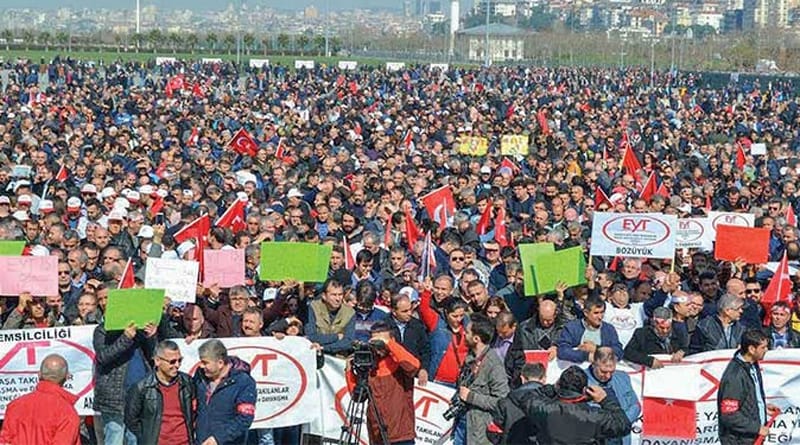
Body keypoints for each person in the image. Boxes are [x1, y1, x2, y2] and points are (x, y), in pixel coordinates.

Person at [345, 321, 420, 445]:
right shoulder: (370, 364)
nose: (379, 347)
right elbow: (357, 396)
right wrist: (349, 372)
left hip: (400, 433)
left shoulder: (398, 361)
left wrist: (388, 343)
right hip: (377, 434)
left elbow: (413, 366)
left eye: (380, 342)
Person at [523, 365, 632, 445]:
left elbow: (527, 397)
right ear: (584, 390)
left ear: (559, 385)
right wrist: (605, 400)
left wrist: (553, 388)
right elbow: (623, 425)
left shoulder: (545, 409)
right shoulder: (595, 416)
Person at [94, 321, 158, 445]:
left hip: (139, 396)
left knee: (136, 440)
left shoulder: (140, 329)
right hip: (114, 399)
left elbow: (153, 357)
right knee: (114, 440)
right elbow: (103, 357)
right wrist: (126, 338)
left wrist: (151, 337)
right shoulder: (103, 330)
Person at [453, 313, 510, 445]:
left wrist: (472, 397)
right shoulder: (470, 358)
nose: (463, 334)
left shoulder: (493, 364)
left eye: (467, 332)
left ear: (476, 338)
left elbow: (502, 401)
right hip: (462, 423)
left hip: (479, 431)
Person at [718, 329, 782, 444]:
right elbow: (729, 415)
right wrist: (757, 428)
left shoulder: (752, 365)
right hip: (739, 440)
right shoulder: (734, 376)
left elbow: (747, 397)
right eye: (763, 347)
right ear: (752, 349)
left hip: (752, 438)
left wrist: (761, 407)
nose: (766, 350)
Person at [125, 340, 195, 445]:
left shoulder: (187, 382)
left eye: (180, 360)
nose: (177, 365)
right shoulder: (142, 387)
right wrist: (147, 436)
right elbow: (131, 420)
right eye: (172, 361)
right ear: (157, 361)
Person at [0, 354, 80, 445]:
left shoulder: (15, 405)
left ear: (39, 374)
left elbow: (4, 440)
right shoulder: (67, 413)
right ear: (67, 376)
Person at [194, 339, 257, 445]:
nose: (201, 366)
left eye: (205, 363)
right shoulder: (200, 376)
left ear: (220, 363)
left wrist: (218, 438)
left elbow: (245, 418)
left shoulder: (243, 382)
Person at [584, 347, 640, 445]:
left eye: (612, 371)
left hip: (622, 438)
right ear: (594, 364)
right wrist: (612, 424)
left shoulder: (623, 377)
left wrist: (621, 422)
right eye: (603, 371)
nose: (608, 376)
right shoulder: (581, 380)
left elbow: (636, 406)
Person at [487, 362, 546, 445]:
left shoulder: (506, 402)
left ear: (522, 378)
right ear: (544, 379)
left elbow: (492, 431)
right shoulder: (552, 403)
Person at [557, 297, 623, 363]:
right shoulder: (572, 328)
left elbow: (619, 351)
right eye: (596, 313)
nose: (600, 317)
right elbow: (562, 351)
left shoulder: (609, 329)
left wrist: (597, 349)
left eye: (602, 312)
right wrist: (586, 356)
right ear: (586, 313)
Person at [385, 293, 431, 385]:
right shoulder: (383, 326)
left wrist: (423, 369)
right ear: (394, 312)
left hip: (413, 374)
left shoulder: (417, 326)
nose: (409, 313)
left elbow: (425, 350)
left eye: (410, 309)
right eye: (404, 311)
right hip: (390, 375)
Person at [623, 306, 689, 368]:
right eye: (661, 328)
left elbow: (687, 348)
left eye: (668, 328)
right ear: (654, 323)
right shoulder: (642, 334)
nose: (665, 331)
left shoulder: (678, 332)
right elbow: (628, 352)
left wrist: (682, 352)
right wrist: (648, 361)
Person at [306, 278, 356, 355]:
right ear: (324, 296)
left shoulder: (350, 313)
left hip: (339, 356)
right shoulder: (314, 307)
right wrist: (336, 337)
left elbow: (348, 341)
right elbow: (311, 336)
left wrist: (324, 347)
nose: (338, 299)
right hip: (315, 354)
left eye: (340, 295)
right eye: (334, 295)